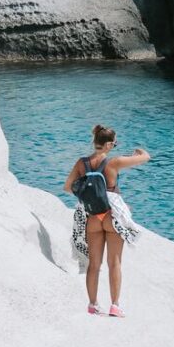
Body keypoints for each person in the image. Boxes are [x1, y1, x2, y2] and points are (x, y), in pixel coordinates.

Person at [64, 124, 150, 316]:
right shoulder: (114, 163)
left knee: (94, 264)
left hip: (93, 216)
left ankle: (93, 304)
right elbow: (145, 157)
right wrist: (139, 151)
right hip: (112, 217)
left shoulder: (81, 163)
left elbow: (68, 187)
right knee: (115, 262)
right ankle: (115, 305)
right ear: (109, 145)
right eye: (115, 143)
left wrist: (90, 197)